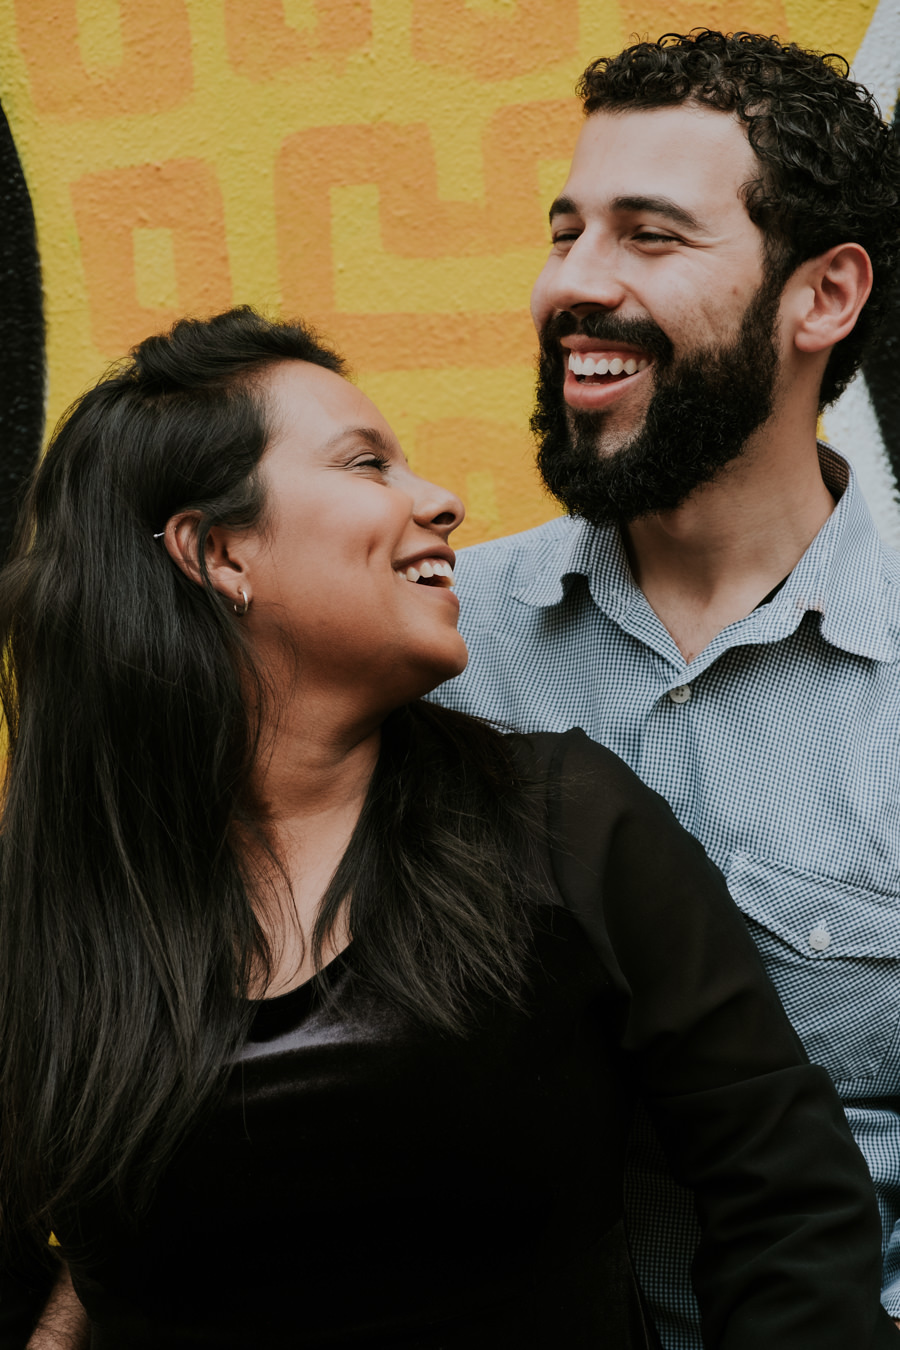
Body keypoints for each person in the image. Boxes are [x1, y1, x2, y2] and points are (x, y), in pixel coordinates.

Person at [0, 306, 895, 1350]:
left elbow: (785, 1194)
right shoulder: (43, 923)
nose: (442, 500)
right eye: (366, 463)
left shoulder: (564, 823)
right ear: (220, 553)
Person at [432, 27, 900, 1349]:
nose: (571, 285)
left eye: (649, 235)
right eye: (567, 228)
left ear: (824, 297)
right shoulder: (435, 647)